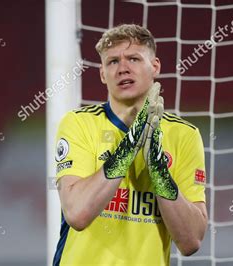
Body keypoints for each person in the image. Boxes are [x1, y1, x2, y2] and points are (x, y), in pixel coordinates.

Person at [52, 24, 208, 266]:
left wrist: (158, 169)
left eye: (133, 58)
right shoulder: (79, 124)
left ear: (155, 66)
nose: (123, 68)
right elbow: (77, 214)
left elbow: (190, 241)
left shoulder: (184, 135)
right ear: (103, 74)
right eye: (112, 62)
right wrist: (129, 146)